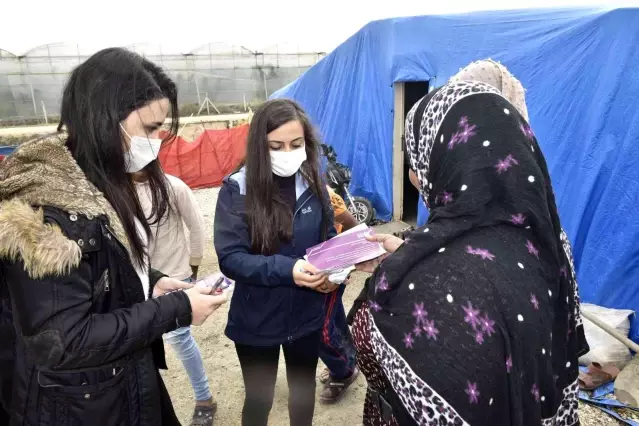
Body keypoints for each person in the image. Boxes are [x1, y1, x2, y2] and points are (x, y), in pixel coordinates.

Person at [349, 66, 589, 425]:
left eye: (417, 159)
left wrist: (396, 276)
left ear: (448, 160)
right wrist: (407, 253)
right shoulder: (548, 245)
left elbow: (377, 347)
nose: (414, 176)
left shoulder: (432, 282)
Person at [0, 48, 226, 426]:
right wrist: (178, 309)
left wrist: (151, 282)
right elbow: (62, 340)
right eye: (150, 128)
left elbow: (103, 266)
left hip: (122, 380)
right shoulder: (44, 213)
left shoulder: (99, 182)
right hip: (79, 405)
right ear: (104, 119)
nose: (157, 141)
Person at [214, 98, 337, 426]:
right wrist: (290, 269)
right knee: (259, 399)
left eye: (296, 144)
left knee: (302, 393)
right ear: (259, 145)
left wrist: (335, 274)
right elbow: (231, 258)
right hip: (256, 318)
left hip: (306, 314)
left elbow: (327, 242)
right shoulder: (237, 189)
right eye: (276, 145)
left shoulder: (313, 185)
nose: (288, 153)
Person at [135, 170, 216, 425]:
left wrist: (192, 267)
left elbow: (196, 226)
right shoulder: (114, 188)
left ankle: (204, 399)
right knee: (141, 343)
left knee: (179, 338)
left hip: (175, 275)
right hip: (137, 278)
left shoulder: (172, 186)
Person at [318, 186, 360, 404]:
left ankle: (343, 371)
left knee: (318, 328)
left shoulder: (325, 194)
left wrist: (345, 266)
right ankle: (349, 355)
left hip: (332, 268)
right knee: (332, 315)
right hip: (307, 268)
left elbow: (353, 227)